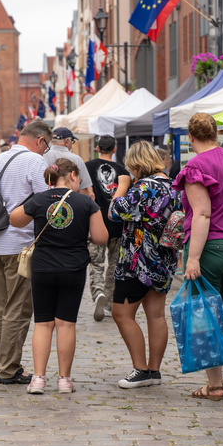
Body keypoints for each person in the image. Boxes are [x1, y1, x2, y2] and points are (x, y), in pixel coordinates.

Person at [10, 158, 108, 394]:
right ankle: (64, 380)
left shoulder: (39, 199)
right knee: (66, 324)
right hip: (72, 269)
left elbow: (14, 219)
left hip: (43, 268)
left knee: (42, 324)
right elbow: (101, 237)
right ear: (73, 175)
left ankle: (38, 379)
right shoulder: (86, 202)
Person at [173, 113, 223, 400]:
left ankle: (215, 385)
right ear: (216, 133)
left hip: (211, 246)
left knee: (204, 312)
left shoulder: (196, 165)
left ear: (190, 137)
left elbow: (203, 213)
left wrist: (192, 258)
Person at [0, 120, 51, 384]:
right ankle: (8, 369)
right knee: (19, 309)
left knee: (0, 309)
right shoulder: (35, 162)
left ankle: (1, 363)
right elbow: (46, 200)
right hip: (21, 245)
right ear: (40, 141)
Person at [110, 141, 181, 389]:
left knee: (121, 313)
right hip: (164, 258)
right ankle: (154, 370)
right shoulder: (172, 186)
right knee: (156, 315)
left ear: (137, 164)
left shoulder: (143, 187)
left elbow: (116, 212)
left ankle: (140, 369)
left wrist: (122, 186)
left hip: (138, 260)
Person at [85, 135, 129, 321]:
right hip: (117, 224)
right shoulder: (122, 171)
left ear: (97, 148)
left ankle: (98, 293)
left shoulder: (87, 168)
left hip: (95, 224)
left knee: (96, 263)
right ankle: (110, 303)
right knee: (114, 265)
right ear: (114, 149)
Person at [42, 127, 94, 199]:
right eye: (72, 141)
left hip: (46, 202)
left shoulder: (42, 156)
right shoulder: (76, 159)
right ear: (66, 141)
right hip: (71, 203)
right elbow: (85, 190)